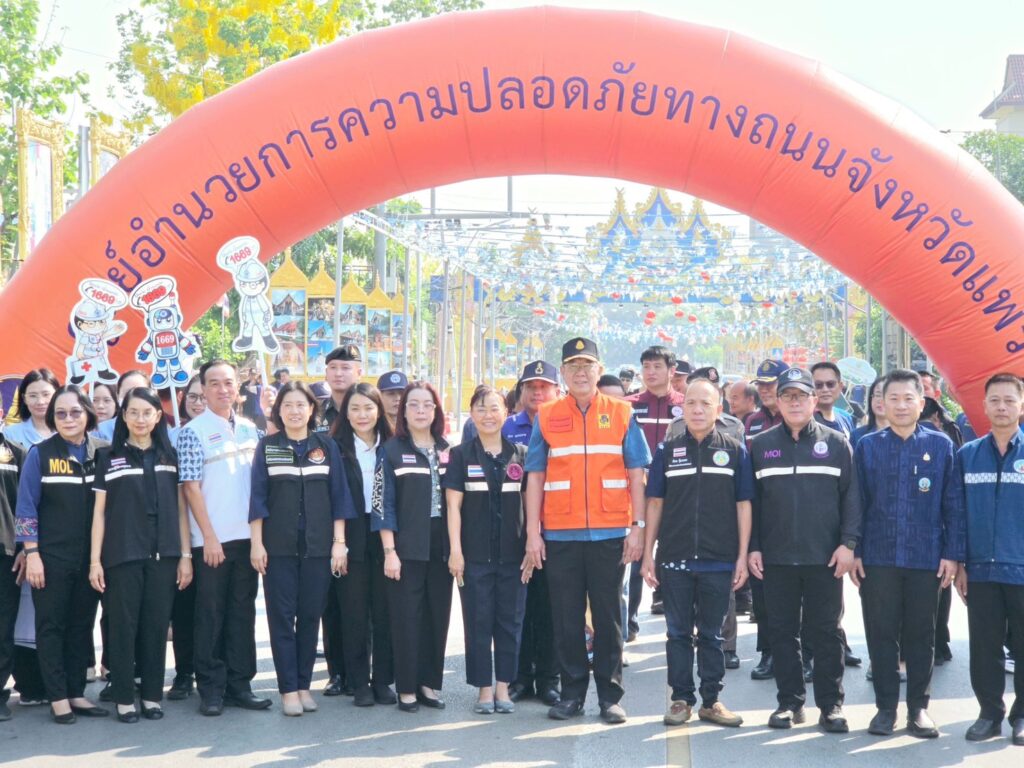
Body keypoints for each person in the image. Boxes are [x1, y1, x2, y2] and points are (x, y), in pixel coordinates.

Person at [523, 337, 651, 725]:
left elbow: (637, 474)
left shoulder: (622, 412)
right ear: (563, 372)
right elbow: (535, 476)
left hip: (610, 532)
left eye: (587, 365)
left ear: (599, 370)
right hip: (561, 533)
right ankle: (572, 694)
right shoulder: (547, 415)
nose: (580, 372)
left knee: (609, 618)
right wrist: (533, 533)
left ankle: (610, 697)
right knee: (566, 618)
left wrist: (638, 527)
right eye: (573, 366)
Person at [853, 368, 964, 738]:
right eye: (893, 399)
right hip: (878, 556)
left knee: (921, 635)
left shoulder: (941, 446)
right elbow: (856, 503)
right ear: (882, 403)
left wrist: (952, 554)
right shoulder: (867, 446)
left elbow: (953, 504)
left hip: (925, 557)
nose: (900, 406)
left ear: (921, 403)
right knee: (881, 633)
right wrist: (854, 549)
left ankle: (919, 709)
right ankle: (885, 709)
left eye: (908, 399)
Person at [749, 368, 860, 733]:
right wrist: (754, 547)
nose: (794, 402)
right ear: (777, 402)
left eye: (801, 396)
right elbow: (753, 503)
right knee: (782, 632)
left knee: (826, 633)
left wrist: (848, 544)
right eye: (788, 396)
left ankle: (831, 706)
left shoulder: (837, 443)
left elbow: (852, 498)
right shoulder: (761, 445)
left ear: (814, 400)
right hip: (777, 558)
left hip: (824, 557)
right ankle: (790, 703)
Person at [641, 376, 752, 728]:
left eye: (706, 403)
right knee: (676, 633)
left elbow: (744, 505)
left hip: (719, 558)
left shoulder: (735, 450)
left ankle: (711, 700)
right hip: (674, 557)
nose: (698, 409)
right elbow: (655, 503)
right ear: (682, 409)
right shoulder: (667, 450)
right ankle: (680, 699)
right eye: (691, 403)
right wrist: (648, 554)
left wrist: (742, 555)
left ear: (719, 409)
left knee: (711, 634)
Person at [88, 387, 193, 723]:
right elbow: (99, 513)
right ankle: (123, 698)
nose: (140, 419)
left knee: (156, 626)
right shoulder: (108, 457)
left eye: (147, 413)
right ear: (124, 416)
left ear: (158, 416)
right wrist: (94, 561)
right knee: (123, 626)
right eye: (133, 412)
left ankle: (151, 696)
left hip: (164, 554)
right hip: (122, 555)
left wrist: (185, 556)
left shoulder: (169, 456)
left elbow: (181, 510)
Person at [249, 381, 355, 717]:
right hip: (277, 548)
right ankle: (288, 690)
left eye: (301, 405)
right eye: (288, 405)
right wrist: (256, 544)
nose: (294, 411)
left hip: (318, 547)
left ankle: (304, 685)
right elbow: (257, 497)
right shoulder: (268, 447)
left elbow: (339, 497)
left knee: (310, 617)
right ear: (278, 411)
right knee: (282, 619)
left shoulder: (326, 446)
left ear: (311, 410)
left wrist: (339, 544)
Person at [176, 360, 269, 716]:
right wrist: (209, 537)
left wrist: (259, 538)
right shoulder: (193, 432)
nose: (222, 389)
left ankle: (240, 685)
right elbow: (191, 488)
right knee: (211, 615)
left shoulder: (251, 430)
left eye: (228, 382)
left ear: (238, 387)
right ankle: (211, 689)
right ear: (203, 389)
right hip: (211, 542)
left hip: (247, 538)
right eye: (213, 383)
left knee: (242, 613)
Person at [15, 385, 108, 724]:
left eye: (75, 412)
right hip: (51, 558)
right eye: (61, 413)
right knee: (51, 626)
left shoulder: (103, 452)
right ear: (53, 419)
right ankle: (57, 697)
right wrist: (32, 553)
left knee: (81, 625)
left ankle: (76, 692)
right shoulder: (40, 454)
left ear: (87, 414)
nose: (69, 419)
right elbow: (26, 508)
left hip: (91, 559)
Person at [445, 387, 528, 714]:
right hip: (474, 556)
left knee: (510, 622)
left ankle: (503, 687)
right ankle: (483, 689)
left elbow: (530, 505)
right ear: (472, 414)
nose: (488, 415)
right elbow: (454, 507)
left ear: (506, 412)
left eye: (494, 408)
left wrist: (531, 545)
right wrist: (456, 551)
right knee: (478, 622)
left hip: (513, 555)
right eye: (480, 409)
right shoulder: (460, 455)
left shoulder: (520, 454)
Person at [373, 381, 453, 713]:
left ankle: (428, 684)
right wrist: (389, 551)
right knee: (407, 617)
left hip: (442, 545)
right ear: (403, 411)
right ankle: (406, 687)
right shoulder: (391, 450)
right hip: (406, 546)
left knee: (438, 616)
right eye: (414, 404)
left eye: (427, 405)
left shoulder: (449, 449)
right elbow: (383, 504)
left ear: (436, 411)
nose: (421, 410)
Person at [956, 373, 1024, 746]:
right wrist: (959, 563)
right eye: (995, 400)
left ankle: (1022, 715)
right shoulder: (967, 455)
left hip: (1021, 568)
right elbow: (955, 514)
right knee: (984, 647)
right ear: (983, 405)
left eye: (1009, 400)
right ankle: (989, 714)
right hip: (980, 569)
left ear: (1021, 406)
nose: (1002, 407)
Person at [331, 383, 396, 707]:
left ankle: (383, 680)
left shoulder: (394, 446)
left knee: (385, 611)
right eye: (354, 408)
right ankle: (359, 682)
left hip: (385, 534)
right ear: (346, 413)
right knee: (354, 612)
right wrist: (338, 542)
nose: (362, 415)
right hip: (351, 533)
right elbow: (334, 496)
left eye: (368, 408)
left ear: (379, 410)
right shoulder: (335, 448)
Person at [504, 361, 561, 706]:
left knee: (551, 607)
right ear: (521, 391)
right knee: (518, 607)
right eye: (531, 387)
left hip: (556, 527)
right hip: (515, 528)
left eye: (544, 387)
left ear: (556, 390)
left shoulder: (564, 422)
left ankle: (549, 679)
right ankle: (520, 676)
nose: (537, 393)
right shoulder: (507, 426)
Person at [4, 368, 58, 709]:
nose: (40, 401)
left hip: (60, 535)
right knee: (21, 612)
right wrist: (25, 543)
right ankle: (28, 681)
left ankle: (57, 681)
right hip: (23, 537)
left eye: (46, 394)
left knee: (54, 611)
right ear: (22, 399)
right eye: (33, 395)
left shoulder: (69, 429)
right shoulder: (11, 437)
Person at [318, 344, 363, 697]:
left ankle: (364, 670)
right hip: (326, 515)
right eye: (333, 367)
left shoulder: (368, 406)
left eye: (346, 367)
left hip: (364, 516)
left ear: (359, 372)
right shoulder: (316, 412)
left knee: (363, 600)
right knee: (331, 600)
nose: (339, 373)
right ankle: (337, 672)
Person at [742, 358, 788, 681]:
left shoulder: (800, 416)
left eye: (772, 384)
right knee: (762, 591)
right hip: (761, 513)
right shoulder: (753, 422)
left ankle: (805, 653)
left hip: (797, 516)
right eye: (761, 384)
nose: (766, 390)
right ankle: (768, 652)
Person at [166, 375, 205, 701]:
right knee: (183, 609)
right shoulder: (171, 438)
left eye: (202, 396)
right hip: (180, 536)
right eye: (192, 396)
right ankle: (184, 673)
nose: (197, 402)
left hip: (215, 536)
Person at [0, 425, 24, 722]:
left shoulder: (15, 452)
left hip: (6, 553)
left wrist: (26, 548)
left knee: (3, 627)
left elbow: (27, 504)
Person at [94, 370, 150, 443]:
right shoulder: (100, 432)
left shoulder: (161, 429)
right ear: (118, 396)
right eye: (128, 392)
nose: (134, 398)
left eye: (140, 392)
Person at [811, 362, 855, 438]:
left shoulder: (846, 418)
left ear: (840, 387)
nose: (825, 389)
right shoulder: (803, 420)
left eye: (830, 384)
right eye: (818, 385)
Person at [851, 378, 887, 449]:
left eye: (887, 395)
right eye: (878, 395)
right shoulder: (857, 435)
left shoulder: (905, 435)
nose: (881, 400)